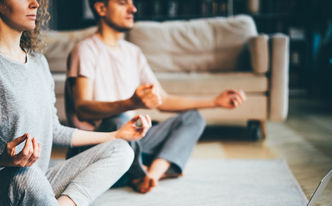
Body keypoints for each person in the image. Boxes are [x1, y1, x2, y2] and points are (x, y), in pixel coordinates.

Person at [0, 0, 151, 206]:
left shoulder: (38, 63)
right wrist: (4, 159)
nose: (35, 3)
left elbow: (55, 130)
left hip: (36, 183)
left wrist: (116, 134)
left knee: (121, 149)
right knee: (26, 177)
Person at [65, 0, 246, 193]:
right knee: (119, 120)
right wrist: (130, 103)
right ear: (101, 8)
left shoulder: (133, 53)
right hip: (96, 144)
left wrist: (215, 102)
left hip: (131, 140)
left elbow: (163, 100)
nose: (133, 9)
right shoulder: (85, 50)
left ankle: (152, 174)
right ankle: (138, 173)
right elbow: (82, 108)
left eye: (132, 3)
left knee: (192, 118)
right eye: (122, 3)